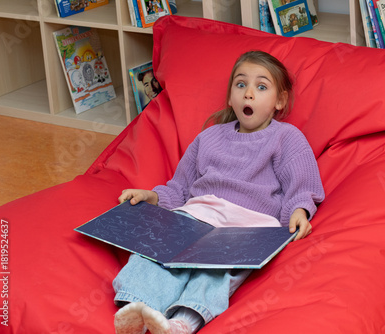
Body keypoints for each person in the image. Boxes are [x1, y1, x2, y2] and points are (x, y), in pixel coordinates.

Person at [113, 50, 325, 334]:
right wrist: (152, 197)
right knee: (154, 253)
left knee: (213, 273)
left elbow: (301, 185)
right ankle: (137, 308)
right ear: (230, 97)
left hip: (246, 228)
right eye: (241, 85)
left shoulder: (286, 138)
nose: (248, 94)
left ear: (280, 101)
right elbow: (180, 187)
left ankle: (182, 323)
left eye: (261, 87)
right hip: (196, 216)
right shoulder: (209, 137)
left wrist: (299, 210)